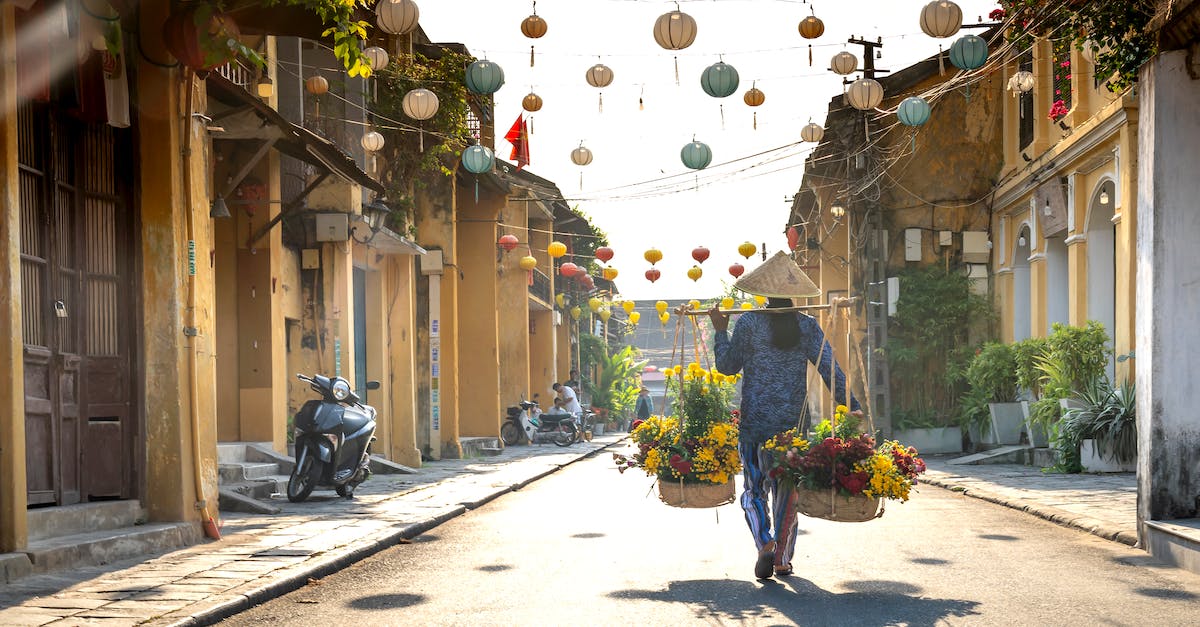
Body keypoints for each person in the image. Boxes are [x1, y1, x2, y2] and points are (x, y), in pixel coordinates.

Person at [709, 251, 861, 581]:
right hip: (792, 427)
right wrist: (851, 403)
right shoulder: (806, 326)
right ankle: (781, 559)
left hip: (754, 424)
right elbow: (829, 368)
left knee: (753, 490)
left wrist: (720, 330)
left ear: (763, 292)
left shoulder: (748, 323)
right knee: (787, 490)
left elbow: (727, 366)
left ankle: (764, 541)